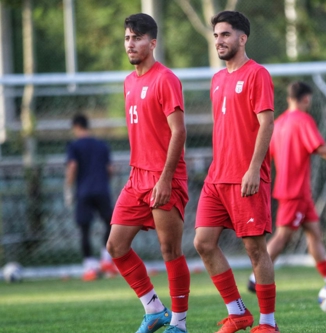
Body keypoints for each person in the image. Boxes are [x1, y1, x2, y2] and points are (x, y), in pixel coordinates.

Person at [193, 11, 278, 333]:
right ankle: (238, 313)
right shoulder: (217, 79)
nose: (219, 41)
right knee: (203, 243)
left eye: (225, 34)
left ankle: (268, 324)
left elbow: (266, 124)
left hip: (247, 177)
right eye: (216, 35)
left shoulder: (257, 74)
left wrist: (254, 169)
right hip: (217, 178)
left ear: (242, 38)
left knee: (255, 249)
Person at [106, 13, 190, 333]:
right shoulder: (129, 81)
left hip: (164, 176)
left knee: (170, 250)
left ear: (152, 43)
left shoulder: (166, 79)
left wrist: (166, 179)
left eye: (137, 38)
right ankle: (154, 309)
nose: (131, 44)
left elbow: (179, 132)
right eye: (127, 38)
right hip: (136, 176)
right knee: (116, 246)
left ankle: (179, 324)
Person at [247, 81, 326, 292]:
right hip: (294, 192)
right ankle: (254, 278)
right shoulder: (303, 120)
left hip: (298, 192)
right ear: (306, 99)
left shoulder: (278, 123)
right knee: (283, 237)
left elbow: (267, 155)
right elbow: (320, 148)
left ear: (288, 99)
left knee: (314, 233)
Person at [65, 113, 116, 281]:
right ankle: (105, 257)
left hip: (84, 192)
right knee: (110, 223)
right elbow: (110, 169)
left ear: (76, 127)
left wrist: (68, 188)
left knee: (84, 229)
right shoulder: (101, 145)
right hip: (102, 190)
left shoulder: (74, 146)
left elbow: (72, 166)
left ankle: (89, 266)